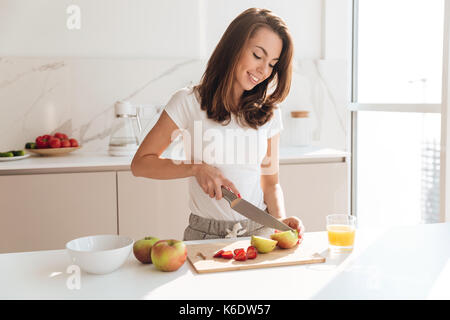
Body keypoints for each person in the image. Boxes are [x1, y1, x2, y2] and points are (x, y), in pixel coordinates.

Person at [131, 8, 304, 240]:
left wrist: (280, 221)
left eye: (272, 64)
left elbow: (271, 183)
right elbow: (140, 164)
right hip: (204, 234)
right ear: (234, 47)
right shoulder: (188, 102)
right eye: (257, 55)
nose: (264, 71)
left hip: (259, 233)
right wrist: (195, 168)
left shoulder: (269, 112)